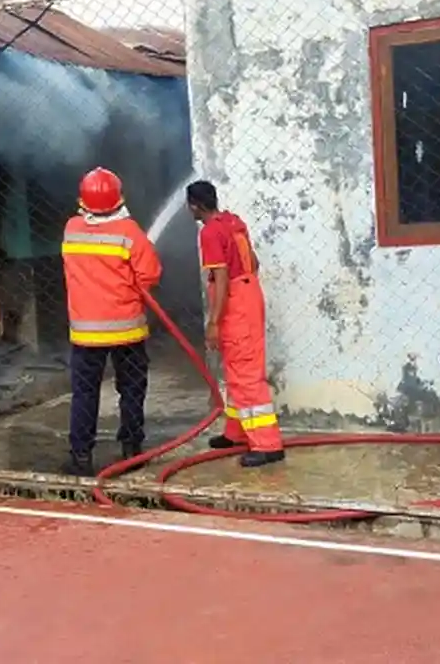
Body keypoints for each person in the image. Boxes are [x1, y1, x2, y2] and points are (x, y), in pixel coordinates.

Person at [59, 167, 162, 477]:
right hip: (127, 329)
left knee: (85, 393)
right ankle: (131, 449)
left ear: (82, 200)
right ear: (120, 199)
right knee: (131, 389)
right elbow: (151, 275)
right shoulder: (129, 232)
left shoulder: (71, 228)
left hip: (86, 334)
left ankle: (80, 456)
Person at [186, 180, 285, 468]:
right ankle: (237, 432)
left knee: (245, 373)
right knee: (236, 368)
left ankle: (268, 445)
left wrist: (214, 322)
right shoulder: (234, 222)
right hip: (249, 295)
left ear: (194, 205)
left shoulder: (210, 233)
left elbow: (220, 276)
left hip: (236, 303)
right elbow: (253, 262)